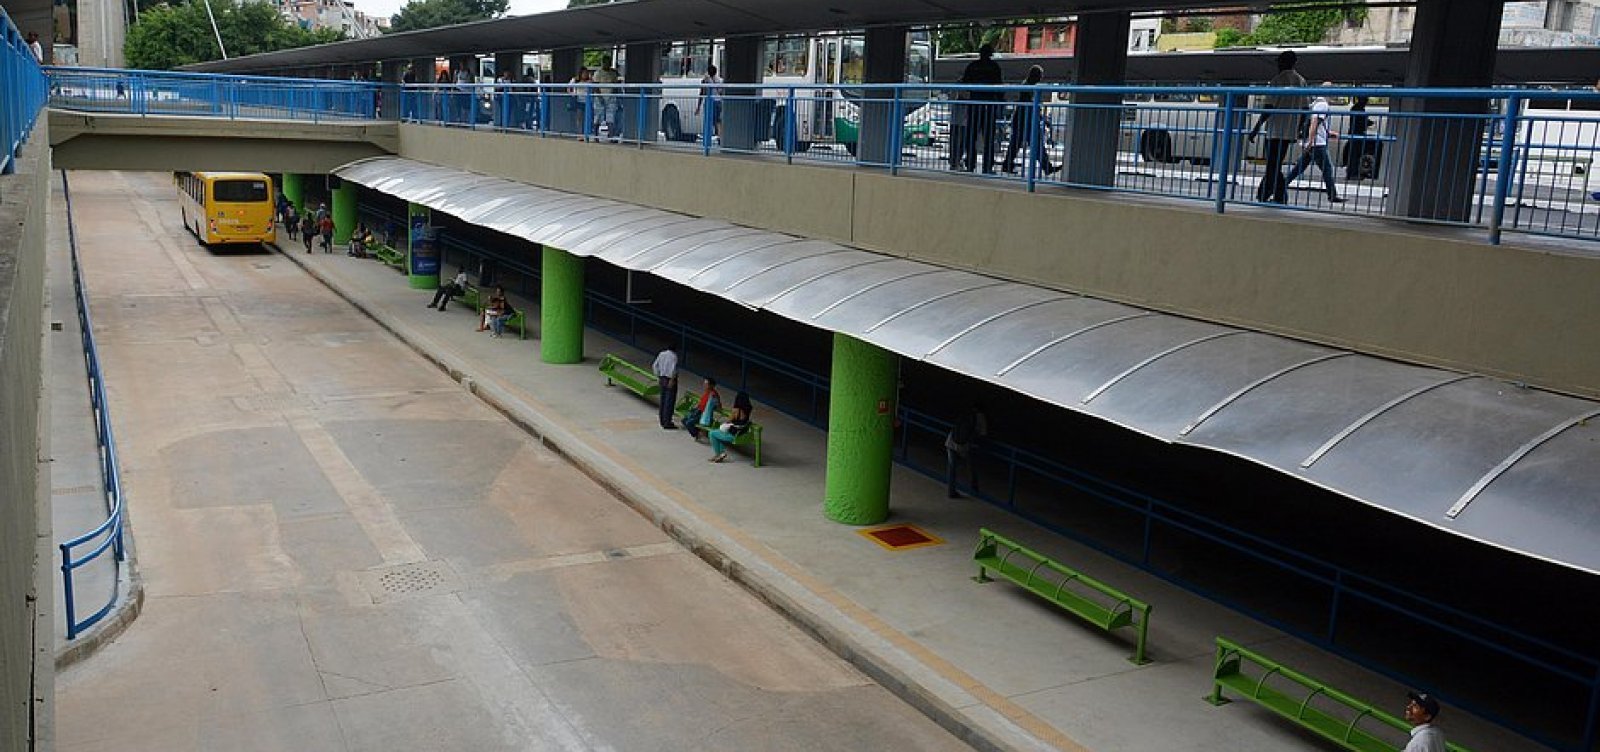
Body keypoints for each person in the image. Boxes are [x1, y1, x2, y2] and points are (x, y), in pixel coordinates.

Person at [1247, 51, 1307, 205]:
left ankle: (1276, 195)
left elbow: (1269, 106)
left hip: (1275, 130)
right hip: (1289, 131)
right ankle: (1266, 193)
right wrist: (1298, 129)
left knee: (1272, 164)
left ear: (1283, 62)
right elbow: (1306, 109)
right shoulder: (1301, 81)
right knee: (1275, 164)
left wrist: (1256, 128)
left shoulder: (1277, 80)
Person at [1279, 84, 1344, 204]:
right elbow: (1314, 123)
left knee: (1298, 169)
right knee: (1327, 169)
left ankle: (1280, 188)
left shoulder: (1314, 103)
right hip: (1317, 144)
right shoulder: (1323, 105)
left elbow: (1315, 125)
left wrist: (1328, 133)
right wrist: (1311, 141)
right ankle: (1332, 195)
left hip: (1312, 142)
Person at [1000, 66, 1058, 177]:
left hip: (1022, 119)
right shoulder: (1029, 87)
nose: (1041, 78)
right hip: (1026, 120)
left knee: (1016, 143)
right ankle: (1047, 167)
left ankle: (1007, 165)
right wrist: (1040, 116)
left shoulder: (1026, 85)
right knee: (1035, 143)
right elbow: (1030, 104)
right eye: (1040, 75)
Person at [958, 44, 1005, 174]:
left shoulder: (972, 66)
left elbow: (965, 84)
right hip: (989, 105)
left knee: (971, 136)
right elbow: (999, 86)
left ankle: (970, 164)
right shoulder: (994, 67)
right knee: (989, 137)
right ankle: (987, 167)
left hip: (974, 104)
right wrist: (1000, 102)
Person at [945, 403, 987, 498]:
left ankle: (951, 491)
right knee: (971, 466)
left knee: (952, 469)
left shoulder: (966, 412)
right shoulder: (981, 418)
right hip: (964, 446)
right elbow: (983, 433)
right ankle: (974, 489)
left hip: (951, 441)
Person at [708, 391, 753, 463]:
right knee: (718, 434)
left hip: (733, 435)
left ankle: (718, 454)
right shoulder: (748, 409)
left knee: (712, 433)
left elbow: (729, 420)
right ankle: (721, 454)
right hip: (740, 433)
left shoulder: (736, 410)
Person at [1343, 95, 1373, 180]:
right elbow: (1360, 121)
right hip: (1356, 133)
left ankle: (1351, 172)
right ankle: (1353, 173)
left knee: (1354, 154)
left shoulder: (1356, 108)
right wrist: (1368, 122)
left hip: (1355, 133)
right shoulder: (1358, 109)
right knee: (1354, 154)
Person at [592, 57, 621, 141]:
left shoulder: (613, 73)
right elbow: (595, 86)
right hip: (599, 97)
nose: (606, 64)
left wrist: (614, 95)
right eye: (605, 62)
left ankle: (611, 136)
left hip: (611, 97)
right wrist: (600, 97)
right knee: (597, 116)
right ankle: (595, 136)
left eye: (608, 62)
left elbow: (616, 85)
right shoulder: (598, 73)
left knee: (611, 117)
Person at [652, 344, 679, 430]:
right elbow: (673, 369)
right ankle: (667, 422)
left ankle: (662, 420)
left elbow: (654, 365)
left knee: (663, 400)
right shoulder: (674, 356)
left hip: (662, 378)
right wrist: (672, 380)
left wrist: (658, 375)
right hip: (669, 379)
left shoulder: (661, 354)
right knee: (669, 401)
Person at [694, 64, 723, 139]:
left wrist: (698, 107)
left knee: (708, 120)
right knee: (718, 120)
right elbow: (721, 92)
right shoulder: (720, 80)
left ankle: (707, 137)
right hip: (719, 102)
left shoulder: (705, 81)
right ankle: (720, 136)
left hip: (710, 102)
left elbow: (702, 92)